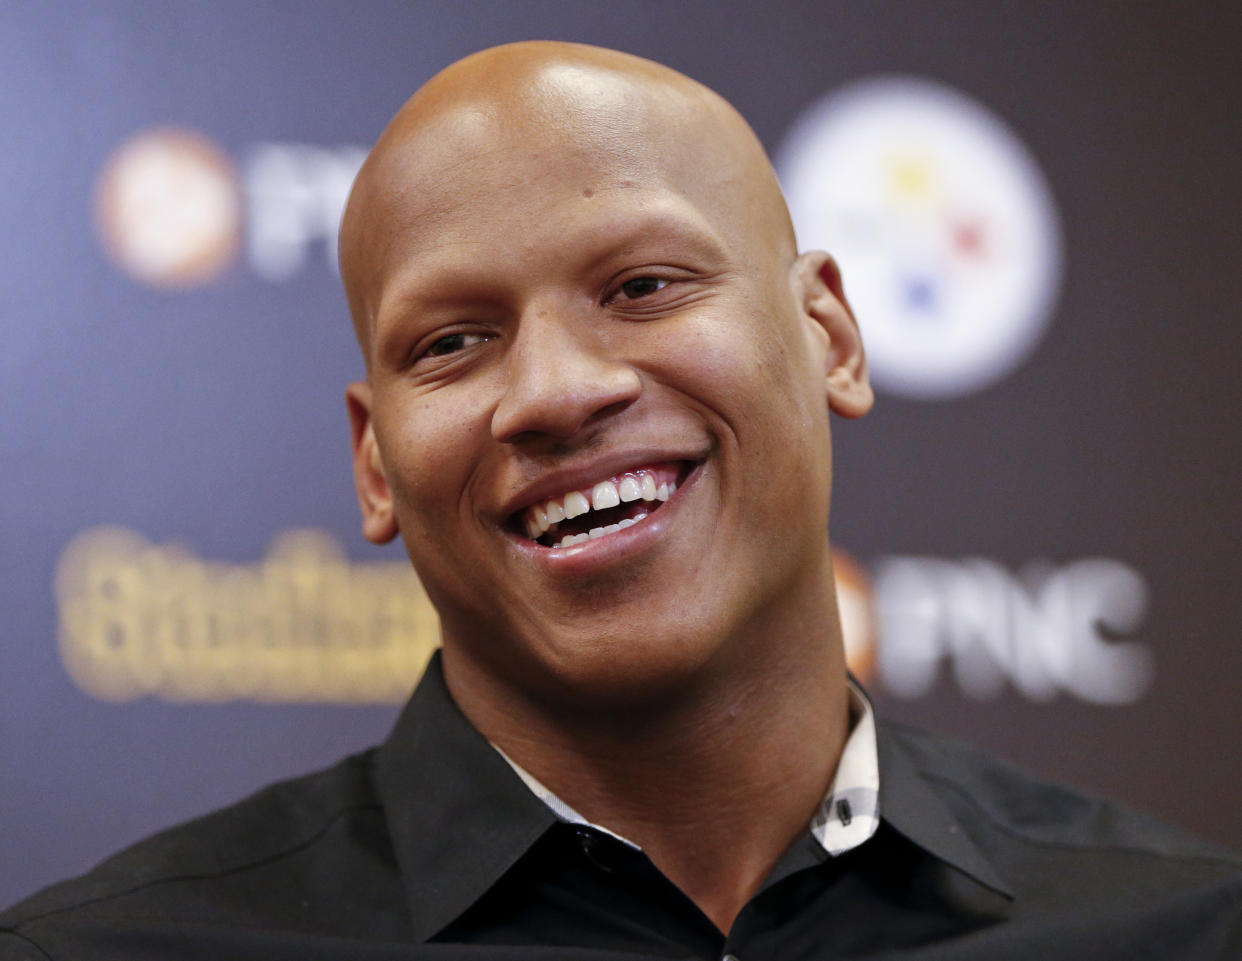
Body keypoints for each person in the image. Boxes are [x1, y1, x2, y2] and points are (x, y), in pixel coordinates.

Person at [2, 41, 1238, 961]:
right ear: (375, 464)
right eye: (451, 343)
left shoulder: (1184, 927)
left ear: (831, 339)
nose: (553, 391)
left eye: (644, 284)